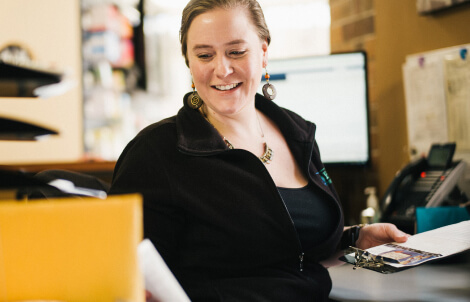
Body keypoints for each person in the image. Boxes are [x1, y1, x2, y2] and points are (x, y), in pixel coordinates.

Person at [109, 0, 410, 301]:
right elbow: (128, 279)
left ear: (263, 51)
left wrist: (354, 240)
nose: (222, 69)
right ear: (189, 62)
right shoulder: (155, 153)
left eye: (236, 52)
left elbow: (287, 255)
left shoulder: (297, 132)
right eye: (204, 55)